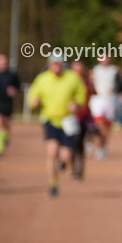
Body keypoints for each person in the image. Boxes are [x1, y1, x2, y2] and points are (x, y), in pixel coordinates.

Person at [26, 49, 87, 196]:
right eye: (53, 64)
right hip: (50, 120)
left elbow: (82, 94)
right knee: (51, 152)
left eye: (59, 64)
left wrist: (76, 104)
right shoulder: (42, 79)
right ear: (49, 64)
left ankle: (63, 162)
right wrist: (34, 101)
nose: (56, 66)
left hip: (67, 121)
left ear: (63, 64)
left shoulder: (72, 77)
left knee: (65, 156)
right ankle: (53, 185)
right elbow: (32, 94)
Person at [89, 54, 120, 158]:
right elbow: (90, 82)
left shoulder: (114, 70)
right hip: (98, 99)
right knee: (99, 123)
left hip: (110, 99)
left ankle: (103, 146)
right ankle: (97, 145)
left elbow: (119, 83)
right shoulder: (95, 70)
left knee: (108, 125)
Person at [0, 53, 20, 157]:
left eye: (4, 61)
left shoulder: (12, 74)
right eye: (0, 61)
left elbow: (18, 86)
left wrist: (14, 91)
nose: (2, 64)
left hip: (8, 102)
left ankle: (5, 138)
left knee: (6, 124)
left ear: (7, 63)